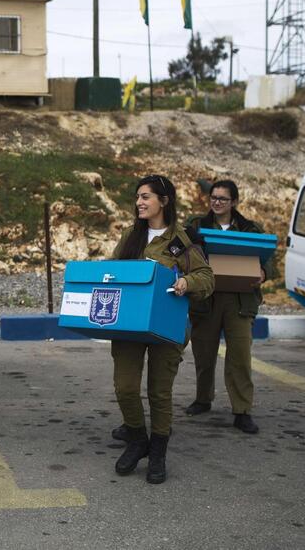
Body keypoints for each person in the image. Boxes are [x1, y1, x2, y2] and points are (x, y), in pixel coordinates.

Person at [110, 175, 214, 484]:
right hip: (129, 325)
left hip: (166, 328)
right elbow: (113, 271)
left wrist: (187, 281)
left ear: (164, 201)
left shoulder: (182, 240)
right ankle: (138, 438)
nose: (139, 202)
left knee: (159, 391)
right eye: (137, 197)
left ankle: (158, 451)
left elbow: (207, 278)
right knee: (125, 386)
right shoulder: (130, 236)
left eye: (146, 197)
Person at [183, 180, 274, 434]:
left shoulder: (250, 228)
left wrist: (263, 273)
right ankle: (203, 399)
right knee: (203, 352)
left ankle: (242, 410)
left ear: (234, 202)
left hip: (240, 301)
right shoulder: (196, 226)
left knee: (240, 357)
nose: (217, 202)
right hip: (206, 299)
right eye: (213, 197)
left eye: (223, 199)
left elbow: (270, 262)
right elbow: (179, 249)